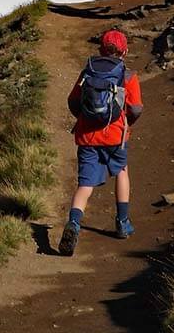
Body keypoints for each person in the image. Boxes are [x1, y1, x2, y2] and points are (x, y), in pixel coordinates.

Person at [58, 29, 143, 256]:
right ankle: (122, 223)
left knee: (85, 185)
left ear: (100, 49)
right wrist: (126, 123)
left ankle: (74, 223)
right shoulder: (127, 75)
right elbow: (135, 108)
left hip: (87, 137)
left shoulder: (88, 71)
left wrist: (85, 119)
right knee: (121, 172)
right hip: (116, 136)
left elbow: (73, 101)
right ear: (124, 51)